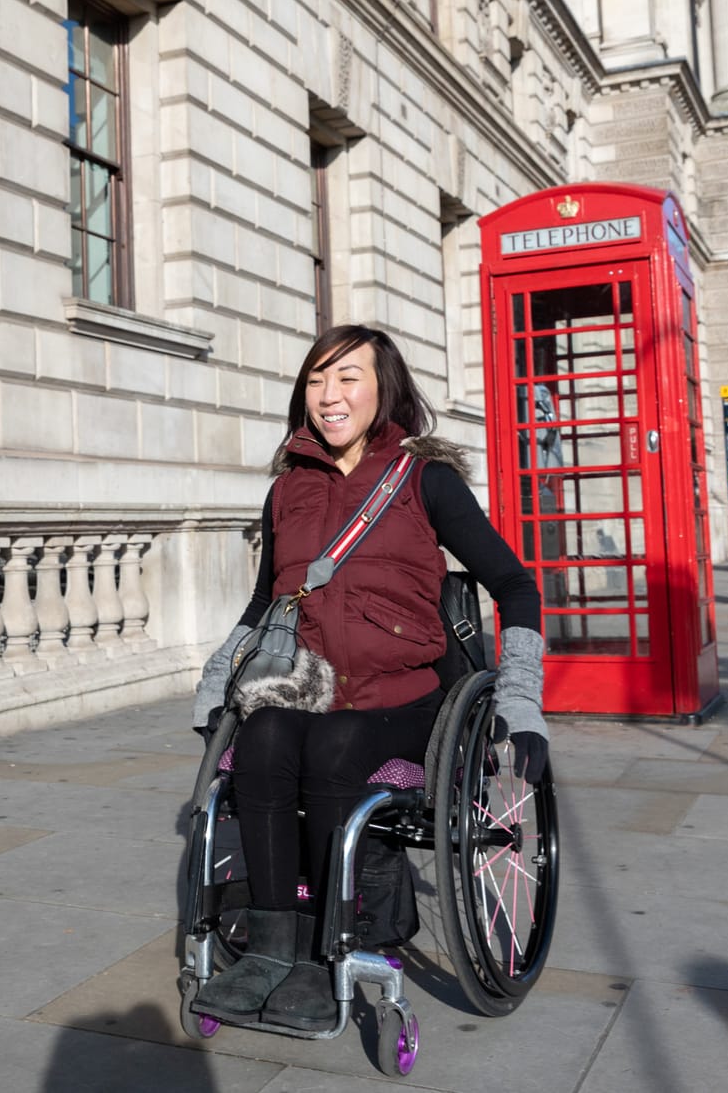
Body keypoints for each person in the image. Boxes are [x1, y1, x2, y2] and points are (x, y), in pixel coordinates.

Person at [188, 326, 548, 1031]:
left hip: (409, 696)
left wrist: (522, 702)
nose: (330, 395)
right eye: (317, 380)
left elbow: (514, 584)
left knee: (335, 747)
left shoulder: (426, 480)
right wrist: (213, 684)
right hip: (310, 687)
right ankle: (271, 951)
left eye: (348, 377)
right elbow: (265, 604)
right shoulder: (287, 491)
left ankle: (335, 946)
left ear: (384, 388)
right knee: (262, 741)